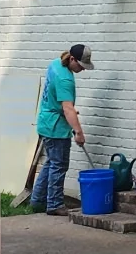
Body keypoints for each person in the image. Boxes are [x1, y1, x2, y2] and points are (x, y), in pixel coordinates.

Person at [28, 43, 93, 215]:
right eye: (80, 65)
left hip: (46, 121)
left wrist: (67, 109)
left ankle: (37, 200)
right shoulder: (66, 79)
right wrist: (78, 132)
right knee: (59, 165)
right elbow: (67, 108)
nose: (82, 69)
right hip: (56, 127)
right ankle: (55, 204)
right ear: (72, 59)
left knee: (51, 163)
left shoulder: (56, 63)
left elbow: (60, 101)